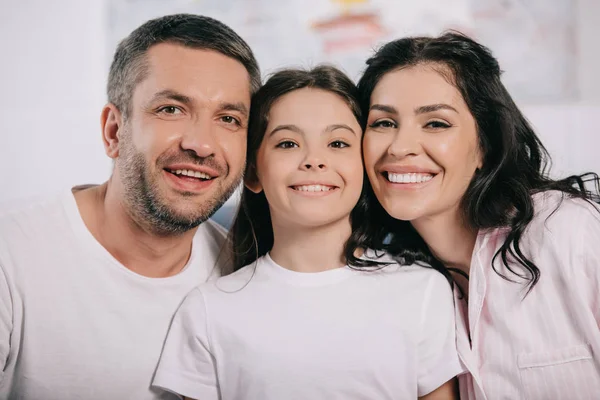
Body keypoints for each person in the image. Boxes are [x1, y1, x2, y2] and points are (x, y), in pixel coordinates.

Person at [151, 65, 463, 400]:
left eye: (338, 143)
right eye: (287, 143)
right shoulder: (209, 310)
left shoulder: (421, 290)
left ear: (364, 165)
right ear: (253, 173)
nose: (314, 160)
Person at [0, 14, 260, 399]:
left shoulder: (244, 277)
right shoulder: (12, 256)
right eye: (171, 109)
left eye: (228, 118)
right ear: (113, 131)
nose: (202, 145)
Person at [358, 31, 600, 400]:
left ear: (484, 146)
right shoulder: (393, 284)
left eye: (436, 123)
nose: (400, 146)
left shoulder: (571, 230)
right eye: (383, 123)